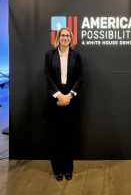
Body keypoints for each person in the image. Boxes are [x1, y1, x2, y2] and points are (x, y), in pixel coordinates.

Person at [44, 28, 83, 181]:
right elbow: (47, 76)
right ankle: (57, 169)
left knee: (68, 137)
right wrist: (59, 95)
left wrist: (69, 96)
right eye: (62, 35)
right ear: (58, 38)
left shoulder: (77, 55)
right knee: (55, 138)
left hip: (70, 102)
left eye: (68, 35)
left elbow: (80, 77)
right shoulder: (49, 55)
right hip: (54, 101)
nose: (65, 38)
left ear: (71, 38)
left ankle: (68, 169)